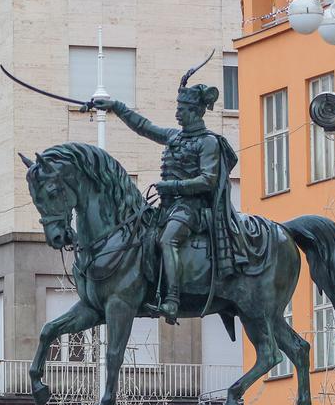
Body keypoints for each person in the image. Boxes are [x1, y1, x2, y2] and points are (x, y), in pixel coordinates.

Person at [94, 79, 263, 322]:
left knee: (168, 239)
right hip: (168, 207)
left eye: (181, 109)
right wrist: (115, 106)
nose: (177, 114)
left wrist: (172, 186)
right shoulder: (175, 136)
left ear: (195, 112)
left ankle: (172, 301)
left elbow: (208, 180)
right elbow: (143, 127)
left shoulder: (208, 142)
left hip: (194, 209)